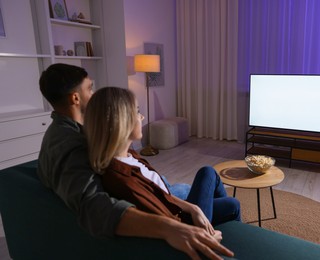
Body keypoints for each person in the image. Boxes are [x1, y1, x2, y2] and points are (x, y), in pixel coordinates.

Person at [37, 63, 235, 259]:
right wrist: (171, 227)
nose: (94, 93)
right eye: (90, 88)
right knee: (213, 186)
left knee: (203, 189)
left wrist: (190, 206)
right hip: (159, 202)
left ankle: (224, 230)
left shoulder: (68, 133)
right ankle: (222, 236)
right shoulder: (73, 145)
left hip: (159, 191)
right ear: (75, 97)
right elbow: (95, 207)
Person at [83, 86, 240, 229]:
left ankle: (214, 224)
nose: (142, 117)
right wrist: (192, 216)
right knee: (232, 203)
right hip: (183, 224)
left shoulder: (129, 156)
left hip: (176, 206)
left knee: (208, 172)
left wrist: (193, 207)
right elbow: (165, 220)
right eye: (137, 111)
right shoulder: (123, 179)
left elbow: (163, 196)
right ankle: (221, 234)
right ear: (122, 121)